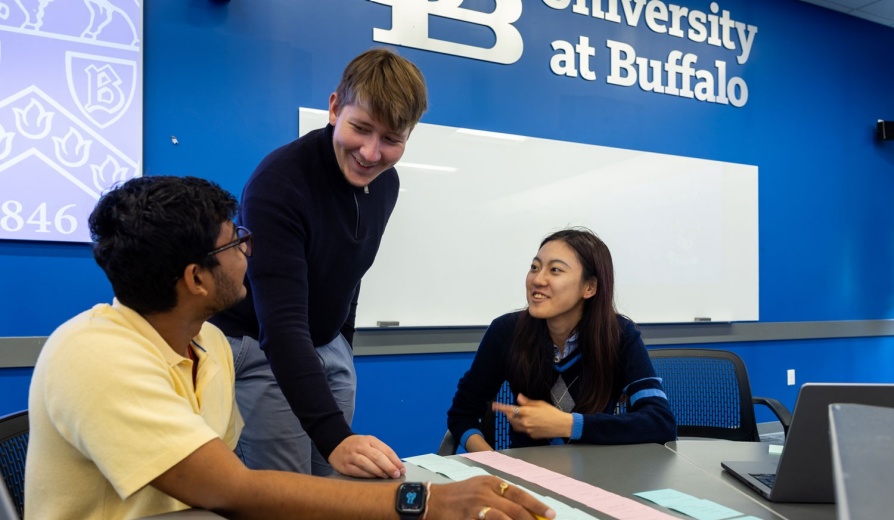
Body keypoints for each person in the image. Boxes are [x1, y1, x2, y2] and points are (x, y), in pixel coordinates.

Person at [24, 175, 555, 520]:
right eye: (235, 242)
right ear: (197, 279)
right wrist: (424, 500)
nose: (248, 250)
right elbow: (233, 488)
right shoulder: (95, 354)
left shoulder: (207, 343)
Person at [210, 47, 427, 478]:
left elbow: (352, 265)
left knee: (334, 485)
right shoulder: (279, 184)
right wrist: (335, 437)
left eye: (391, 140)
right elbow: (282, 324)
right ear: (334, 108)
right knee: (286, 493)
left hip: (328, 344)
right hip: (262, 344)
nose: (370, 153)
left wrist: (342, 342)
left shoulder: (386, 183)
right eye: (361, 129)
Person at [447, 228, 676, 451]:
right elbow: (462, 414)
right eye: (535, 267)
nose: (538, 279)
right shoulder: (506, 331)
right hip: (527, 478)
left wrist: (566, 424)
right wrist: (493, 463)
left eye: (555, 270)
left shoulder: (619, 335)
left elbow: (660, 422)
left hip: (598, 476)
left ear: (589, 287)